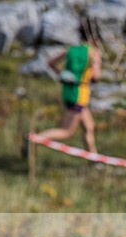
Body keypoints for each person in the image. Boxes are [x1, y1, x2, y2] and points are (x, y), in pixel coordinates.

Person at [33, 18, 102, 154]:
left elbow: (51, 62)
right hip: (80, 95)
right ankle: (34, 138)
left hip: (68, 92)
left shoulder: (72, 50)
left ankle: (94, 159)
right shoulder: (93, 53)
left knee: (89, 127)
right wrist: (95, 64)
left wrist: (62, 75)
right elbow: (96, 77)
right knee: (66, 131)